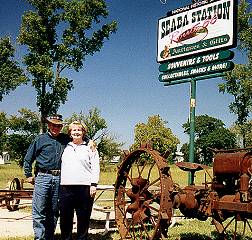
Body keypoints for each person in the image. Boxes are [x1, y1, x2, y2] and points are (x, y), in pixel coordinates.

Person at [23, 114, 69, 240]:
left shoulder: (65, 139)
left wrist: (90, 141)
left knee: (54, 211)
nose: (56, 127)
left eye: (58, 125)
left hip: (60, 178)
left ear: (61, 127)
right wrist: (28, 175)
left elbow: (81, 137)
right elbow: (28, 159)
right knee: (39, 210)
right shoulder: (40, 139)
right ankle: (39, 237)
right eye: (53, 125)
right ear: (49, 125)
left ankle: (49, 237)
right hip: (43, 177)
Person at [59, 121, 100, 240]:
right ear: (70, 133)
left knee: (83, 217)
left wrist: (93, 184)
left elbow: (95, 166)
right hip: (66, 187)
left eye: (79, 130)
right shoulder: (64, 146)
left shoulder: (90, 147)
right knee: (65, 218)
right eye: (74, 130)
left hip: (84, 187)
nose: (76, 132)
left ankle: (82, 238)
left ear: (83, 132)